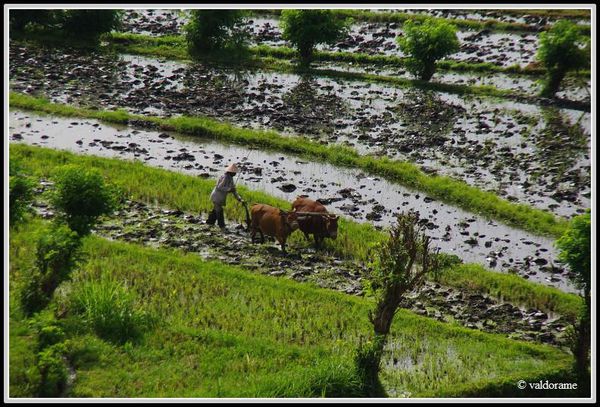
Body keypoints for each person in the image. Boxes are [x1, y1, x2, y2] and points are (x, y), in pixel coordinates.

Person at [206, 163, 244, 229]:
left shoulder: (231, 179)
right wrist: (229, 189)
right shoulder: (225, 177)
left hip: (219, 198)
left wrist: (240, 199)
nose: (235, 174)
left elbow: (234, 191)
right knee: (219, 211)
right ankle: (222, 225)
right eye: (234, 172)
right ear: (231, 172)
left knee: (216, 210)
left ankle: (210, 222)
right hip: (217, 197)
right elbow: (219, 187)